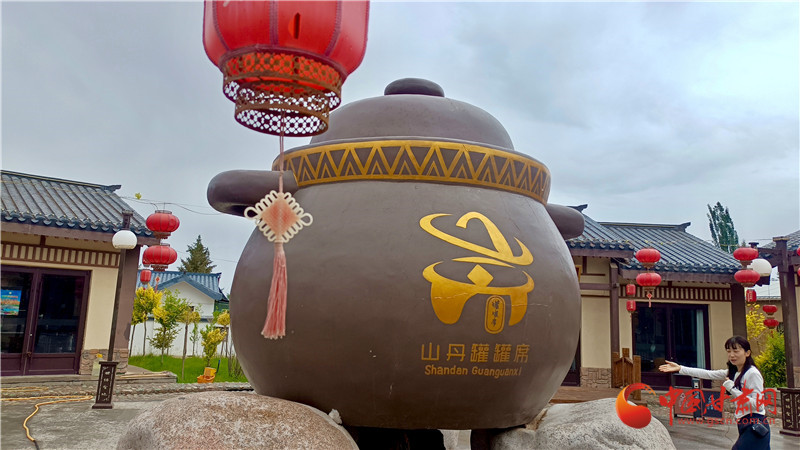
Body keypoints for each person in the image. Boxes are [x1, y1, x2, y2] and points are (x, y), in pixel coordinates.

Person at [659, 335, 770, 450]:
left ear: (747, 353)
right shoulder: (735, 372)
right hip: (744, 424)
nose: (732, 355)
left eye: (736, 351)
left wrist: (732, 388)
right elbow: (708, 374)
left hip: (755, 425)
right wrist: (680, 368)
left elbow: (758, 405)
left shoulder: (752, 373)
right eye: (729, 351)